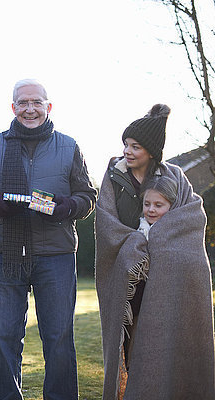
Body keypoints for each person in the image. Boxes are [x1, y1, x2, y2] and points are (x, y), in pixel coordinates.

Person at [0, 79, 96, 400]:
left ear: (48, 106)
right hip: (5, 256)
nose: (30, 109)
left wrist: (63, 207)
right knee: (5, 337)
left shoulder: (68, 146)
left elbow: (87, 196)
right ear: (13, 108)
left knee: (58, 337)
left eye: (36, 102)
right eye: (23, 103)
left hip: (55, 255)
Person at [95, 104, 215, 399]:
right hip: (129, 277)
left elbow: (192, 215)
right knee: (128, 343)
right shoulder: (114, 175)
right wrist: (136, 244)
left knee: (163, 342)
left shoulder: (173, 175)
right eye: (126, 144)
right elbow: (105, 220)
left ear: (151, 151)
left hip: (166, 280)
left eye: (135, 146)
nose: (128, 151)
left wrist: (157, 237)